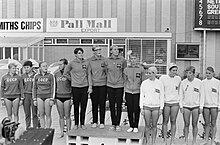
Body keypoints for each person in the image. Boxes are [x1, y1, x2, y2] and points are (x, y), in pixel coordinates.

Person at [64, 48, 92, 130]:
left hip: (84, 86)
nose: (81, 54)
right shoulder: (71, 63)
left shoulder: (86, 62)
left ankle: (82, 123)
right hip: (75, 87)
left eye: (82, 53)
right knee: (76, 106)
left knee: (84, 106)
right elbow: (65, 73)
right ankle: (76, 123)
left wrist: (90, 86)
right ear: (75, 54)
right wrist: (72, 79)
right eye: (79, 53)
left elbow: (89, 74)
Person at [140, 66, 164, 145]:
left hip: (156, 107)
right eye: (148, 73)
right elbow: (142, 96)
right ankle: (147, 141)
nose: (148, 75)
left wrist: (161, 108)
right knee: (147, 124)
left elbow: (161, 96)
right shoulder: (144, 83)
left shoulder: (159, 83)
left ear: (154, 74)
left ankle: (153, 142)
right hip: (146, 106)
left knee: (154, 125)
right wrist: (141, 108)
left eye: (150, 73)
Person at [105, 45, 127, 131]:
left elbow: (124, 73)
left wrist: (124, 85)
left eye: (117, 49)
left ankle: (117, 124)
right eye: (114, 49)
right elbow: (106, 72)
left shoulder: (123, 60)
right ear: (111, 51)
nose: (117, 51)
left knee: (118, 105)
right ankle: (113, 123)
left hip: (119, 85)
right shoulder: (107, 60)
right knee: (111, 105)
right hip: (110, 85)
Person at [179, 66, 202, 145]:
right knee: (186, 124)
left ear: (193, 73)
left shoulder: (199, 82)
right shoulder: (183, 82)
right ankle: (186, 140)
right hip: (186, 106)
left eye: (190, 73)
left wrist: (201, 106)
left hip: (195, 106)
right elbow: (181, 95)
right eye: (187, 73)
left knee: (194, 124)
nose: (188, 75)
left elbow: (202, 95)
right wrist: (181, 106)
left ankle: (194, 140)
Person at [159, 63, 181, 145]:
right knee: (165, 121)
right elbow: (161, 91)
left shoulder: (178, 79)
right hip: (166, 102)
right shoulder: (163, 78)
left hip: (175, 102)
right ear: (169, 70)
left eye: (176, 70)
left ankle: (172, 140)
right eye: (173, 70)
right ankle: (165, 139)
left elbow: (179, 90)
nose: (175, 72)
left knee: (173, 121)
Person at [124, 53, 145, 133]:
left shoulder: (141, 69)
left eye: (134, 58)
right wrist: (124, 93)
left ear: (137, 59)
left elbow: (143, 82)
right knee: (129, 109)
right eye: (131, 59)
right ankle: (131, 125)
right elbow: (125, 81)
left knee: (136, 109)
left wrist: (143, 94)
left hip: (137, 92)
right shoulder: (126, 69)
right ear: (129, 60)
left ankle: (136, 125)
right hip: (128, 91)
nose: (133, 60)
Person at [88, 45, 107, 129]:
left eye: (100, 49)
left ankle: (102, 122)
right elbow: (89, 74)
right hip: (94, 85)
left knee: (102, 104)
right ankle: (95, 121)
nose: (99, 51)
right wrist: (90, 86)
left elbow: (107, 72)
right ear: (94, 51)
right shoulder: (89, 61)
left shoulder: (104, 60)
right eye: (97, 50)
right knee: (94, 104)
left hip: (103, 85)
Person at [201, 67, 220, 145]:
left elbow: (219, 95)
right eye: (207, 73)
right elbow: (202, 95)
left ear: (213, 73)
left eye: (209, 73)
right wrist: (201, 106)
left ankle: (213, 139)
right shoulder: (203, 82)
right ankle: (206, 139)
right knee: (206, 123)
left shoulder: (217, 82)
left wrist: (219, 106)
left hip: (214, 105)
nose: (208, 75)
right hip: (206, 105)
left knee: (213, 123)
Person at [33, 61, 54, 128]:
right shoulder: (36, 76)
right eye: (43, 66)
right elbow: (34, 87)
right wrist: (34, 99)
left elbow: (53, 87)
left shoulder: (50, 75)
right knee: (41, 114)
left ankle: (48, 129)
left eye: (46, 66)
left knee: (48, 114)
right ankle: (42, 129)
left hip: (48, 96)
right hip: (39, 96)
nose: (45, 67)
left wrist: (52, 98)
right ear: (40, 68)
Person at [54, 58, 72, 137]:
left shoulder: (69, 73)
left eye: (61, 64)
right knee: (61, 115)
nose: (59, 66)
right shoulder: (56, 74)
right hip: (59, 96)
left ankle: (68, 131)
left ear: (65, 65)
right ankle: (61, 132)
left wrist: (72, 98)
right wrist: (54, 98)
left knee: (67, 115)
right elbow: (54, 86)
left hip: (67, 96)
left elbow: (73, 84)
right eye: (59, 64)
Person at [21, 61, 39, 129]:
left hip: (33, 96)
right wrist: (22, 97)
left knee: (34, 113)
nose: (26, 69)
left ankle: (35, 127)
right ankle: (28, 127)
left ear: (31, 67)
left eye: (28, 67)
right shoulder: (23, 76)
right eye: (25, 67)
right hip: (26, 96)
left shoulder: (35, 75)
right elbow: (21, 87)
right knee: (27, 113)